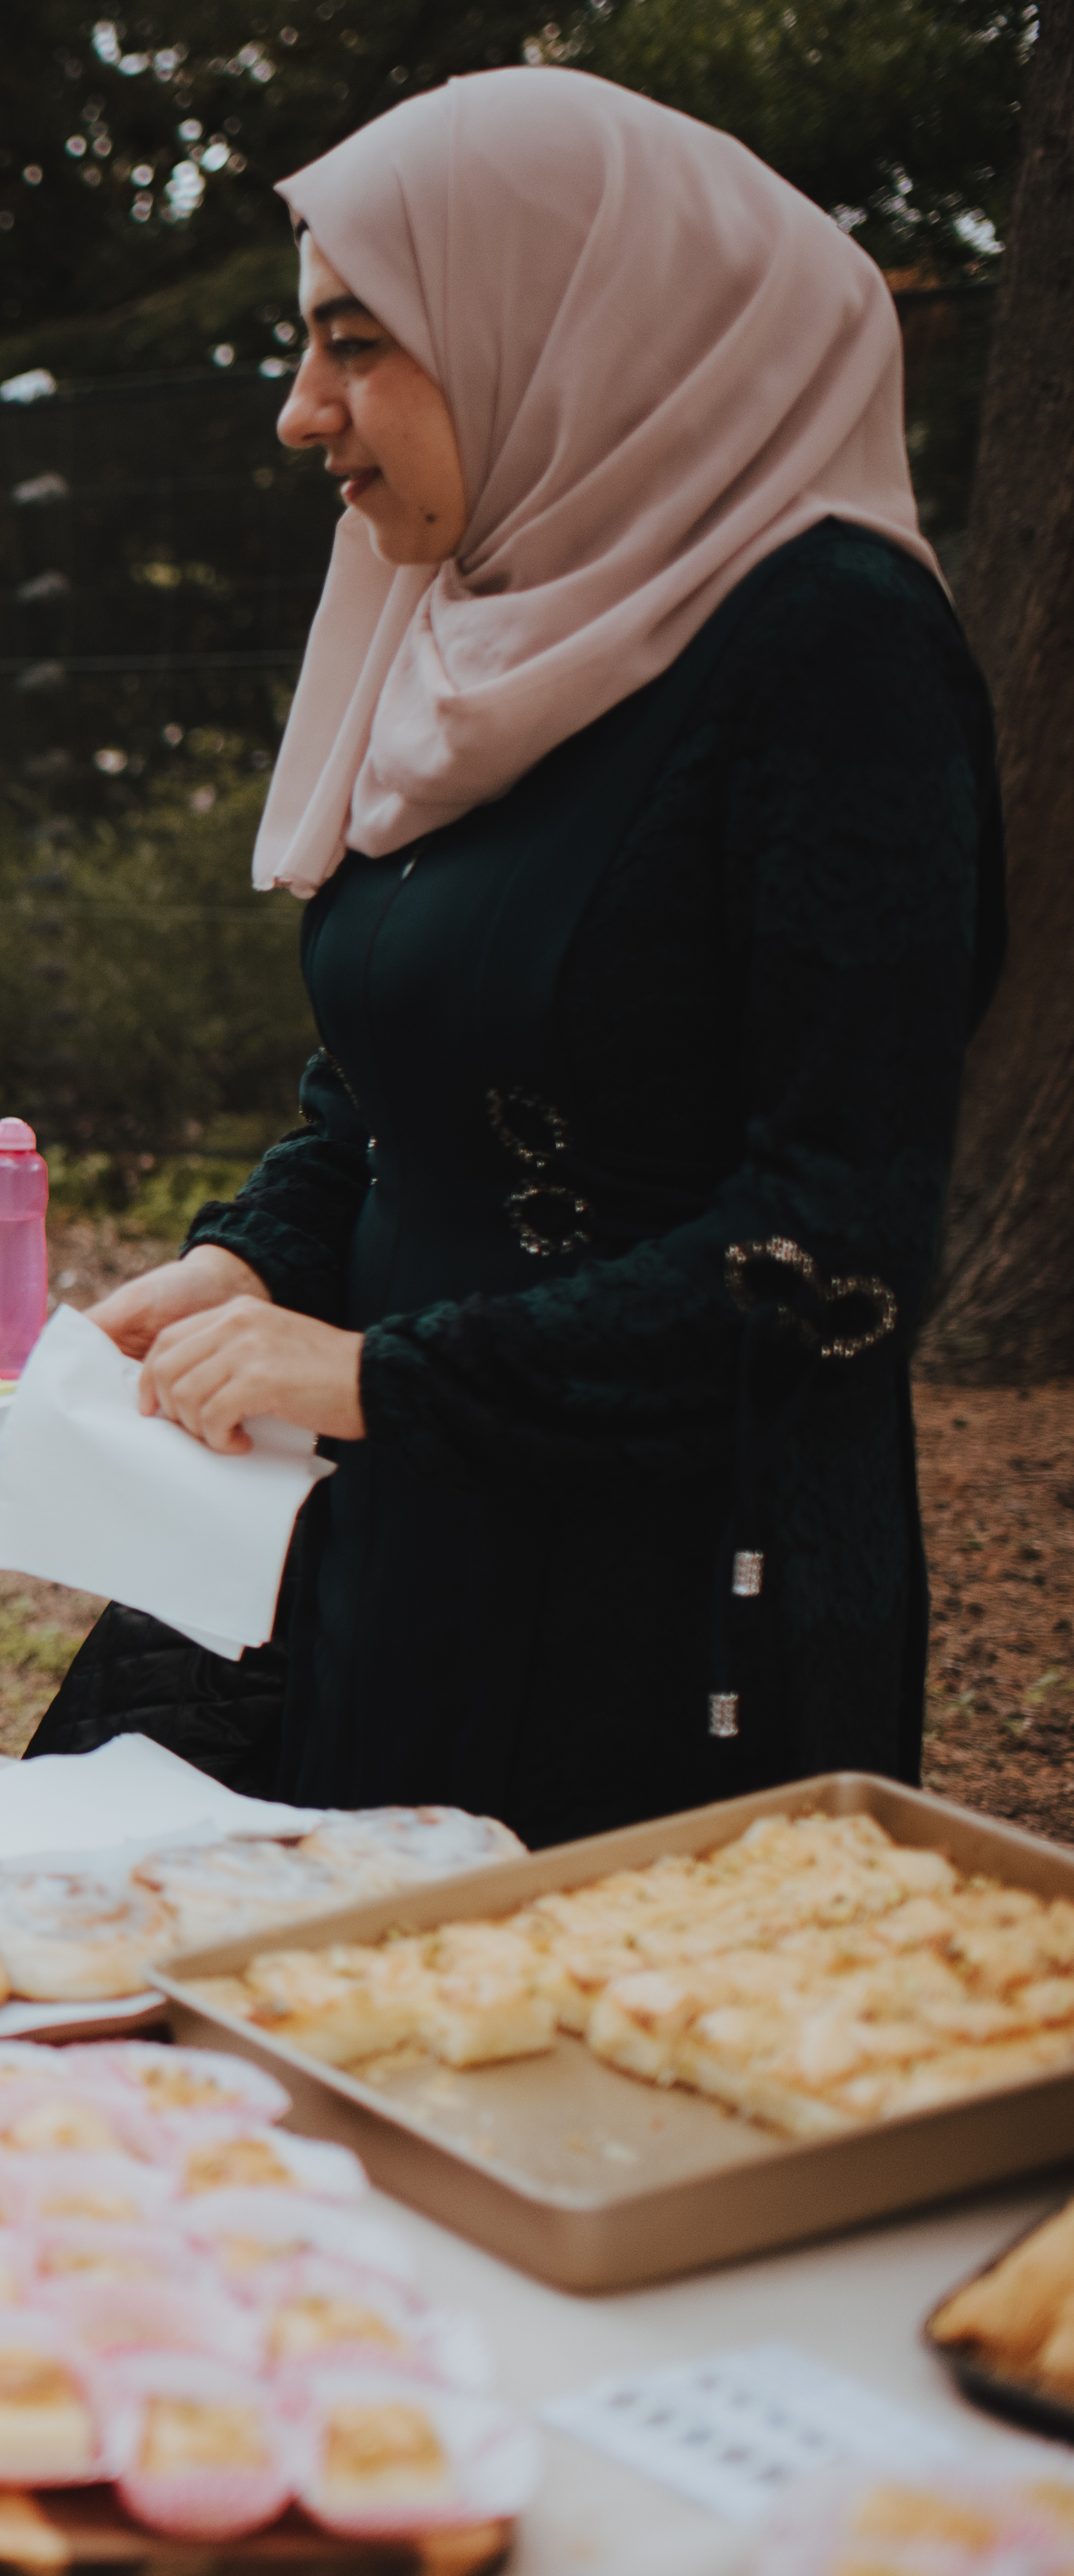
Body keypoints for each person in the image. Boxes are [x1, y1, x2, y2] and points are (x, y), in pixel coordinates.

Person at [80, 69, 1004, 1845]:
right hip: (404, 1543)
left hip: (660, 1608)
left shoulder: (832, 655)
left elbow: (839, 1244)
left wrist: (379, 1377)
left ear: (572, 317)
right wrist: (253, 1261)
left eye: (357, 342)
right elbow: (388, 1077)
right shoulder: (468, 625)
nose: (298, 414)